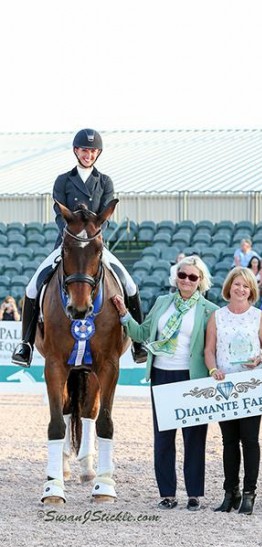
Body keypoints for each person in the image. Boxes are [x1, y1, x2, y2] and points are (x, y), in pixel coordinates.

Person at [11, 129, 147, 367]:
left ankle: (138, 344)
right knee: (33, 286)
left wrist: (89, 233)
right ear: (76, 151)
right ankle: (26, 345)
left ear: (98, 153)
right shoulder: (63, 180)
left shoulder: (104, 182)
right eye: (85, 150)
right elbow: (58, 213)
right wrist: (74, 234)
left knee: (130, 284)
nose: (88, 154)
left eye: (93, 151)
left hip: (94, 246)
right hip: (68, 244)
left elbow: (105, 214)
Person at [112, 255, 218, 511]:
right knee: (164, 437)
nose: (187, 280)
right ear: (176, 277)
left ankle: (194, 494)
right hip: (162, 375)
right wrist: (124, 314)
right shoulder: (162, 303)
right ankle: (167, 493)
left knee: (194, 438)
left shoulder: (209, 310)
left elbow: (213, 348)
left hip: (192, 378)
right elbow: (141, 333)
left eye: (193, 277)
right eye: (182, 275)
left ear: (200, 280)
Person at [205, 267, 262, 515]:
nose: (241, 289)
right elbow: (209, 350)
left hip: (250, 386)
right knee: (228, 441)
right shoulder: (217, 316)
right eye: (237, 284)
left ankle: (249, 493)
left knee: (250, 440)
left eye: (246, 286)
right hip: (225, 386)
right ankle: (230, 492)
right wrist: (213, 370)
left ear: (251, 290)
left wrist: (259, 358)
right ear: (229, 286)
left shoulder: (258, 316)